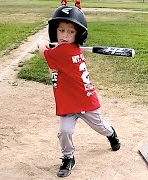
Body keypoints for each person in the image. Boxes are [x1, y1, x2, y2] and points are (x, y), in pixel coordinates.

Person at [38, 6, 120, 178]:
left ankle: (111, 134)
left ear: (78, 34)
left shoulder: (64, 50)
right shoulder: (69, 49)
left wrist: (42, 44)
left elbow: (43, 51)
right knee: (65, 132)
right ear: (55, 31)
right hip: (69, 103)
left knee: (101, 128)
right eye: (61, 30)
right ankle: (68, 157)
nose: (65, 36)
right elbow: (53, 67)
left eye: (70, 32)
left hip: (86, 103)